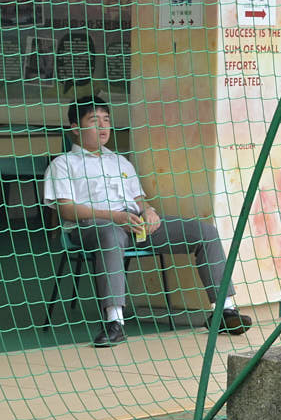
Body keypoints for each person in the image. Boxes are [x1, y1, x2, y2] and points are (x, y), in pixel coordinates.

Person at [43, 98, 253, 348]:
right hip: (92, 227)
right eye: (94, 121)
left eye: (106, 120)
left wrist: (149, 211)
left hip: (134, 224)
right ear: (76, 128)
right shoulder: (63, 164)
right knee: (111, 235)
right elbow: (67, 210)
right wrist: (115, 217)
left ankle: (224, 311)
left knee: (204, 232)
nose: (103, 127)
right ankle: (115, 322)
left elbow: (138, 199)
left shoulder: (120, 161)